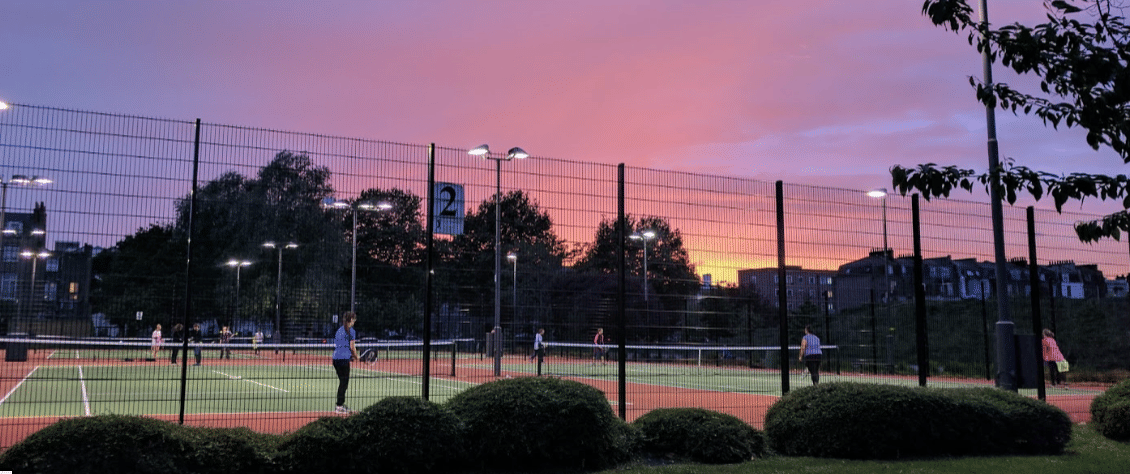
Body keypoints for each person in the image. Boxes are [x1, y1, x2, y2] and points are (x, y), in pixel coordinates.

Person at [333, 311, 360, 414]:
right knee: (344, 384)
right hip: (343, 360)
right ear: (351, 320)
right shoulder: (351, 331)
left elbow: (341, 345)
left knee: (342, 383)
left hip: (335, 360)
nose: (354, 322)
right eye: (354, 320)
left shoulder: (339, 330)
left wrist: (351, 356)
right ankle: (339, 406)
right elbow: (352, 347)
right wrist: (356, 357)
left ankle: (339, 405)